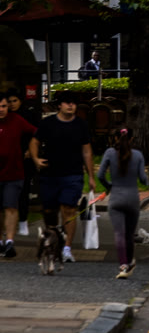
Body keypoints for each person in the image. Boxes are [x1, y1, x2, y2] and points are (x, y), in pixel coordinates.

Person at [30, 95, 94, 263]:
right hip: (50, 174)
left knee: (69, 209)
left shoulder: (81, 124)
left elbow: (87, 151)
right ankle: (53, 238)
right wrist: (36, 159)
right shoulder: (48, 123)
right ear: (59, 105)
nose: (71, 106)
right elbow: (35, 142)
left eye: (74, 103)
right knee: (49, 211)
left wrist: (91, 176)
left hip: (73, 174)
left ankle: (67, 248)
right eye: (67, 103)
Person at [97, 126, 149, 279]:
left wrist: (109, 186)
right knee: (129, 234)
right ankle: (130, 261)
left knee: (119, 233)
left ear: (115, 138)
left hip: (116, 197)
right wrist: (146, 181)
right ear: (132, 139)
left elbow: (100, 175)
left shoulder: (109, 153)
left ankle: (123, 265)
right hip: (132, 198)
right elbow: (143, 179)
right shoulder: (138, 155)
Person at [0, 89, 39, 261]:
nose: (2, 109)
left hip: (14, 172)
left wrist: (32, 151)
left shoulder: (16, 120)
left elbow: (36, 132)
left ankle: (10, 241)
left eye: (4, 106)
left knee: (11, 207)